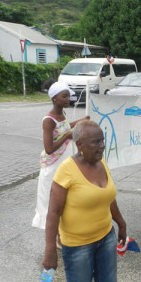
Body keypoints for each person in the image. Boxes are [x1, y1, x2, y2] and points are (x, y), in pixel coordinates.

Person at [42, 120, 127, 282]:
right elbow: (52, 213)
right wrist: (50, 249)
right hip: (78, 244)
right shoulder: (67, 171)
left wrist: (121, 223)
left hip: (105, 237)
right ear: (80, 144)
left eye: (102, 141)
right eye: (95, 142)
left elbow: (108, 197)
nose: (101, 146)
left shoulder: (101, 163)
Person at [32, 82, 89, 230]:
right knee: (51, 200)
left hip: (63, 162)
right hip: (53, 166)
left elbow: (64, 127)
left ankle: (62, 233)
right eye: (64, 96)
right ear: (54, 98)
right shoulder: (48, 120)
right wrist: (67, 137)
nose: (67, 99)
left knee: (64, 197)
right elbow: (49, 148)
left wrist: (82, 120)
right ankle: (53, 235)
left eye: (69, 96)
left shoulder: (61, 114)